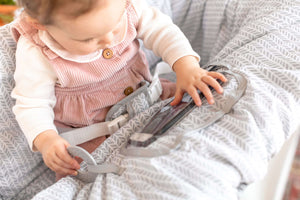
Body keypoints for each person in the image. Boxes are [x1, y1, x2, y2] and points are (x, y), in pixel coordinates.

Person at [11, 0, 227, 179]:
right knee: (94, 176)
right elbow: (32, 104)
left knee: (198, 115)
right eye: (88, 38)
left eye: (115, 25)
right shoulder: (36, 52)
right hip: (95, 136)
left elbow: (162, 31)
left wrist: (186, 66)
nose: (108, 40)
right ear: (40, 24)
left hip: (152, 99)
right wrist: (46, 139)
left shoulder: (125, 6)